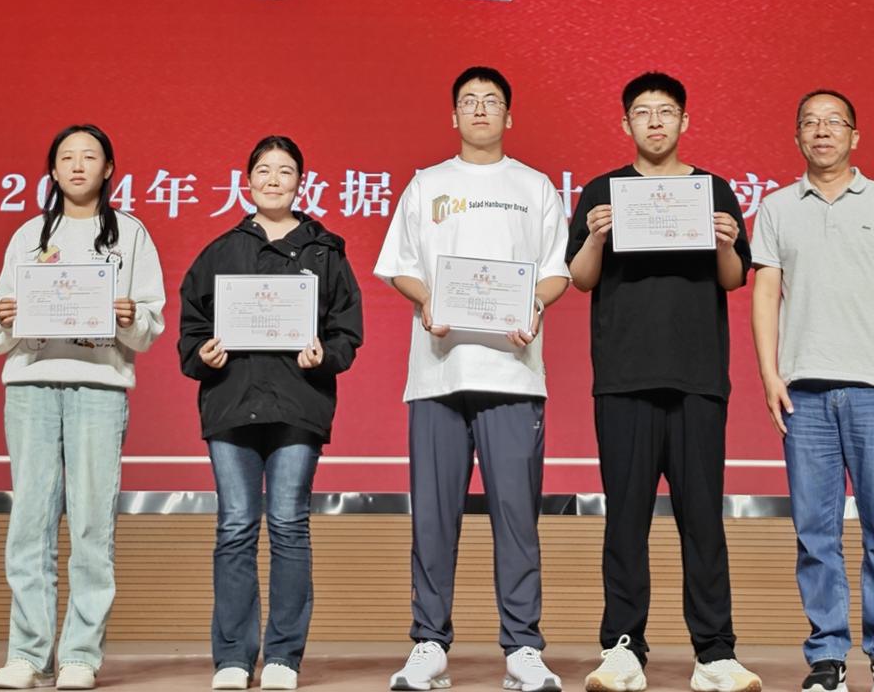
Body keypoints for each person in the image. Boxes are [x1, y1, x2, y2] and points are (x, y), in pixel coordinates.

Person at [375, 66, 573, 692]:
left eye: (492, 101)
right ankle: (429, 644)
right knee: (434, 519)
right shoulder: (426, 184)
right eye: (469, 101)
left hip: (513, 373)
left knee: (516, 517)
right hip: (438, 372)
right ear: (453, 115)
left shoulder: (534, 187)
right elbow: (401, 265)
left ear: (509, 116)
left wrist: (533, 303)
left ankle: (522, 648)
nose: (480, 109)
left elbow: (556, 270)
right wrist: (426, 299)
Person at [566, 72, 761, 692]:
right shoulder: (603, 191)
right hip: (623, 378)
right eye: (643, 112)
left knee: (703, 519)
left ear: (684, 121)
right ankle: (623, 648)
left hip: (698, 377)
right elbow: (580, 278)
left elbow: (733, 278)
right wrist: (598, 236)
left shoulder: (713, 191)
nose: (655, 121)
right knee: (625, 521)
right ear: (626, 123)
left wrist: (727, 242)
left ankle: (715, 653)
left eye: (666, 111)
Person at [749, 91, 874, 692]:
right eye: (810, 122)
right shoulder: (776, 207)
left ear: (855, 136)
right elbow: (766, 294)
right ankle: (826, 655)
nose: (821, 131)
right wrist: (770, 374)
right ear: (797, 136)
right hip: (805, 394)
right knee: (814, 533)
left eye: (834, 122)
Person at [177, 135, 365, 692]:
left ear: (300, 183)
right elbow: (191, 329)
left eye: (285, 171)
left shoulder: (326, 251)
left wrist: (325, 356)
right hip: (231, 403)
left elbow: (346, 332)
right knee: (235, 526)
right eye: (263, 170)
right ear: (248, 181)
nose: (274, 180)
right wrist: (203, 354)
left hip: (298, 405)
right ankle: (233, 657)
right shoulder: (219, 252)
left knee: (288, 525)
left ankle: (283, 655)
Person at [0, 124, 167, 691]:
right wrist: (5, 316)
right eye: (67, 157)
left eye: (90, 156)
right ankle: (27, 652)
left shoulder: (130, 234)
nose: (78, 165)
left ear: (109, 169)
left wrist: (132, 315)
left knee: (91, 522)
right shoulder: (28, 236)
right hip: (31, 385)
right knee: (30, 521)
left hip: (99, 387)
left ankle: (80, 654)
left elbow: (151, 321)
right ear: (53, 170)